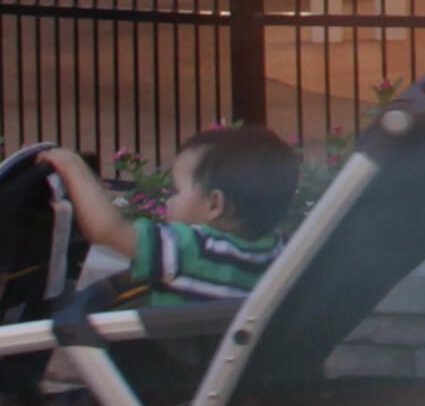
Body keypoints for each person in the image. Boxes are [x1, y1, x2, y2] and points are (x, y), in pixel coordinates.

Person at [36, 125, 301, 304]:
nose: (167, 199)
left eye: (175, 190)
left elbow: (106, 230)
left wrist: (72, 166)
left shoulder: (193, 248)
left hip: (172, 373)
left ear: (214, 205)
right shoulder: (276, 251)